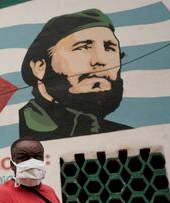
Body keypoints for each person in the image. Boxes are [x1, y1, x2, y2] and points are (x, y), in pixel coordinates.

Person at [19, 9, 131, 141]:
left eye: (109, 48)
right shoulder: (26, 132)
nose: (100, 61)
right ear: (40, 67)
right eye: (83, 47)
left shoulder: (126, 136)